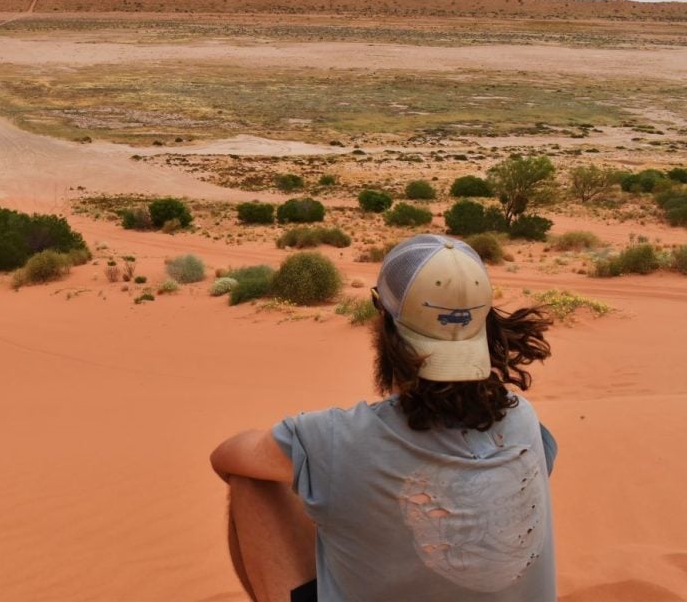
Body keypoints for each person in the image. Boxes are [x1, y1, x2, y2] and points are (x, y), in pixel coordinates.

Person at [211, 234, 557, 601]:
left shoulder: (336, 438)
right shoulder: (524, 420)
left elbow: (225, 456)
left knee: (254, 482)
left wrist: (331, 487)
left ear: (384, 321)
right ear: (485, 325)